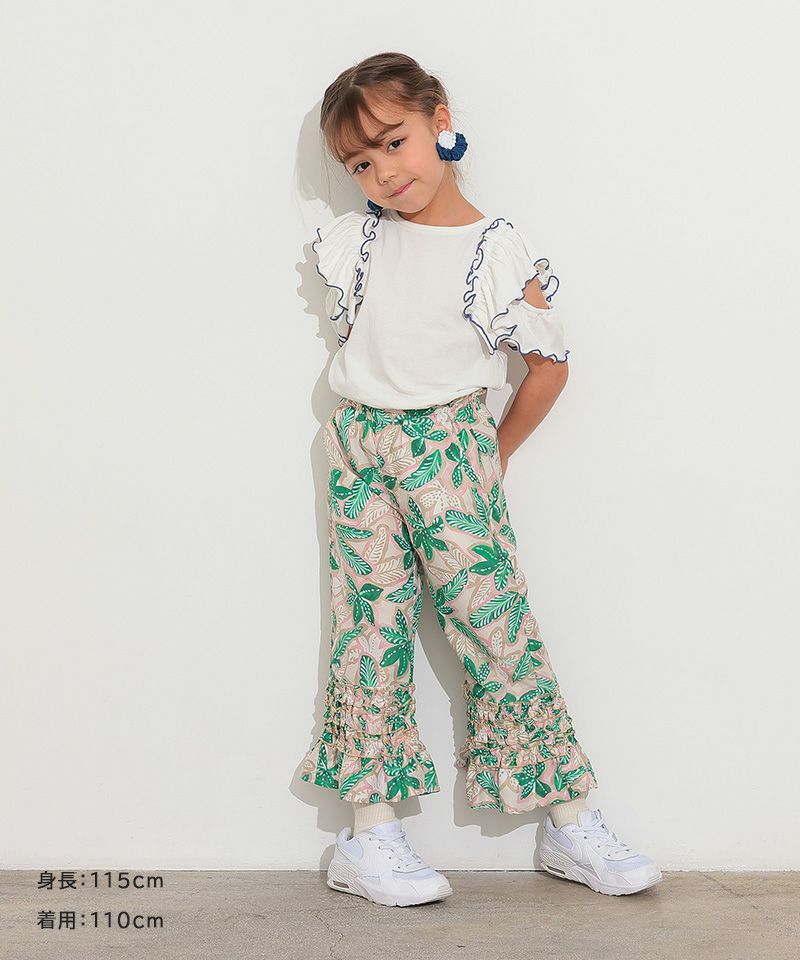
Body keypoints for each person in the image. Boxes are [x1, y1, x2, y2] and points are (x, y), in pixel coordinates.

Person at [298, 51, 662, 907]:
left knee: (497, 626)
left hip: (452, 447)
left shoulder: (495, 247)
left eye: (394, 142)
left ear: (439, 121)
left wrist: (490, 453)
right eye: (360, 163)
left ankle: (569, 821)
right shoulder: (358, 242)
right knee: (367, 630)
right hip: (359, 447)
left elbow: (548, 369)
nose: (383, 173)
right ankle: (369, 835)